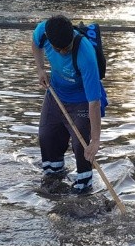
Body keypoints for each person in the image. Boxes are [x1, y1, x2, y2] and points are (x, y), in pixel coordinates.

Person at [33, 15, 108, 194]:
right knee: (46, 136)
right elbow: (35, 44)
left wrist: (96, 141)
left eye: (67, 48)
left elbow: (94, 103)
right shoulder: (43, 31)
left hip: (82, 99)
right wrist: (40, 69)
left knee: (82, 148)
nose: (63, 52)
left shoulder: (86, 55)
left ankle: (84, 187)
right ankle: (54, 179)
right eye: (59, 49)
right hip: (56, 93)